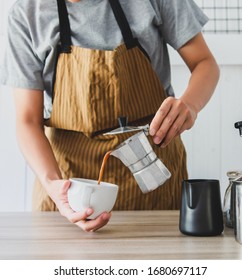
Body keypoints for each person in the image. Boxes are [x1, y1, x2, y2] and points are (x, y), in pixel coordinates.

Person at [0, 0, 219, 232]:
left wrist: (190, 105)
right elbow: (28, 120)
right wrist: (54, 186)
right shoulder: (27, 13)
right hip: (69, 187)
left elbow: (204, 63)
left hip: (151, 179)